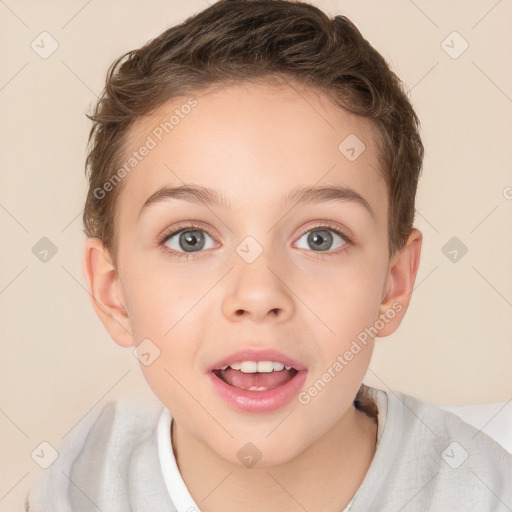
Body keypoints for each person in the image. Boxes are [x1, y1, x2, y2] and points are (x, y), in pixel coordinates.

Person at [26, 1, 512, 510]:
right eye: (189, 238)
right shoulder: (77, 486)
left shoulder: (484, 492)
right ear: (113, 292)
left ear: (393, 284)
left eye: (320, 238)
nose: (258, 295)